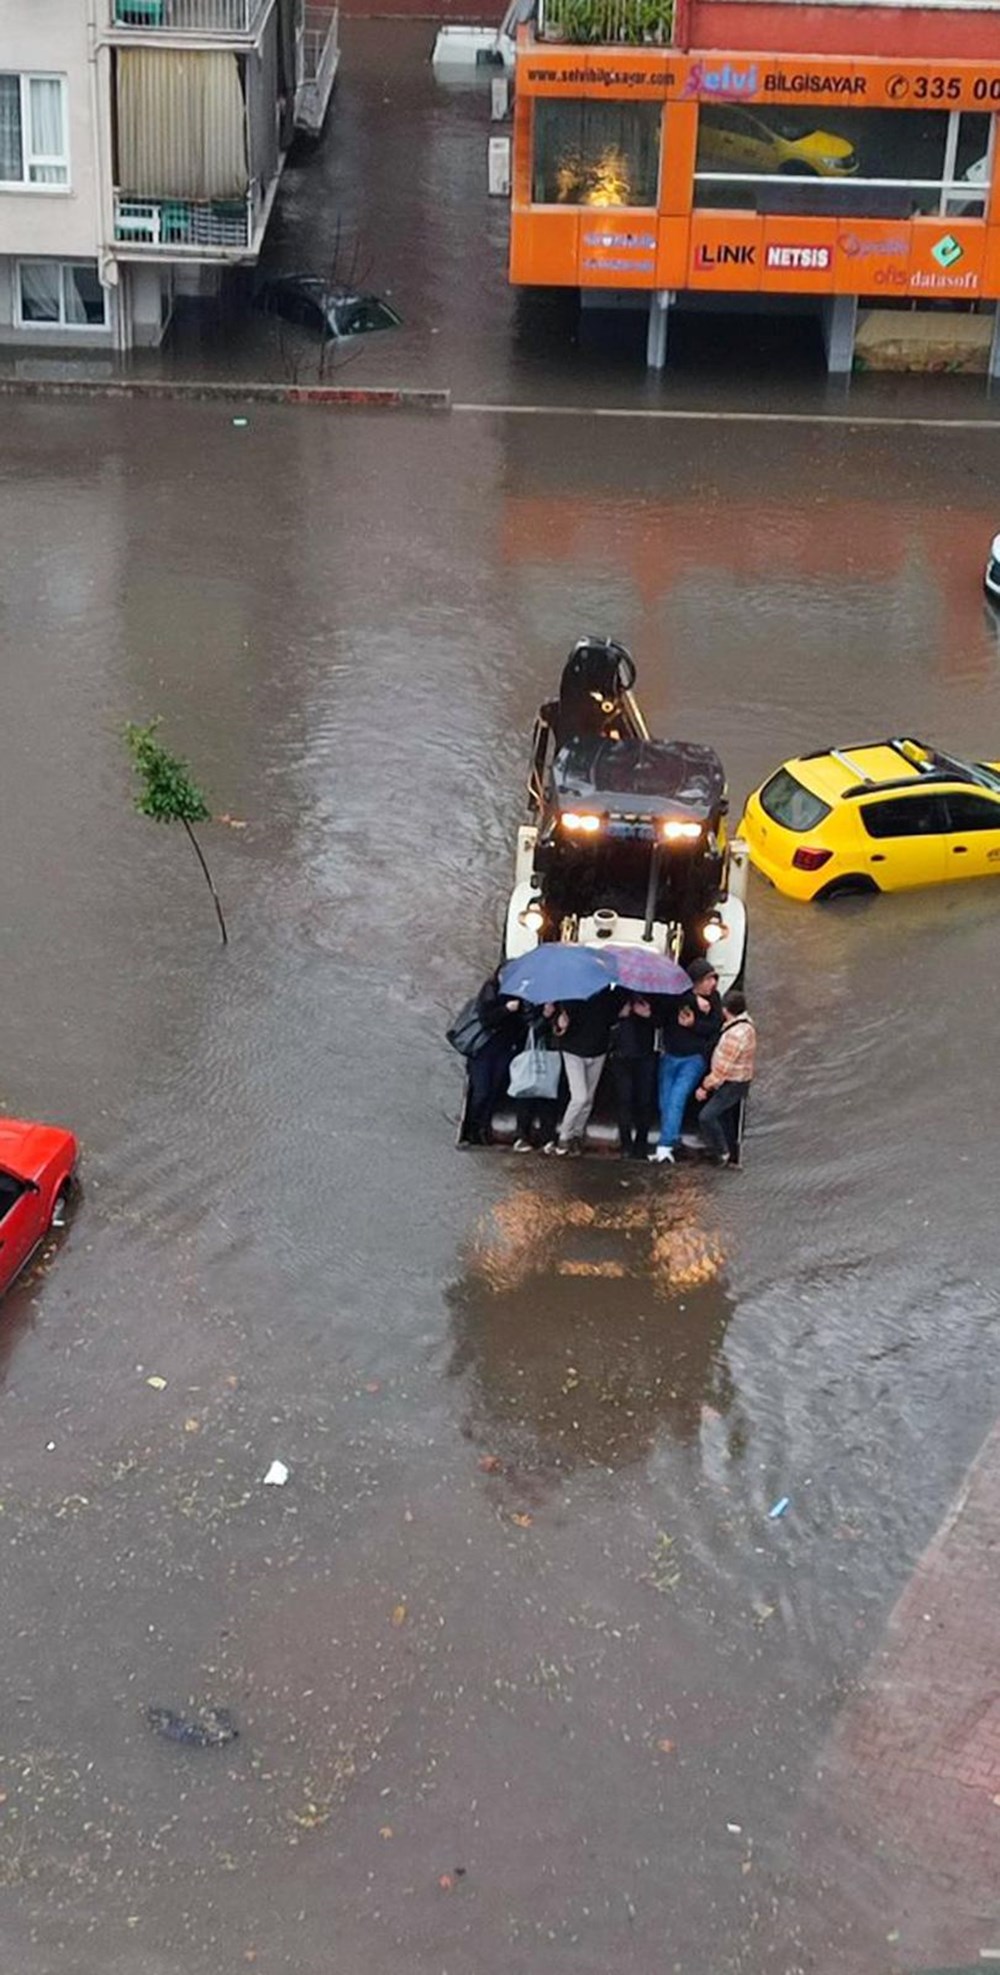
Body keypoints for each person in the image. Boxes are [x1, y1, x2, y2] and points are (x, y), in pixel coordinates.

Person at [695, 989, 757, 1166]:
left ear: (725, 1010)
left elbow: (722, 1070)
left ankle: (721, 1152)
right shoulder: (746, 1026)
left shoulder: (734, 1036)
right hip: (739, 1080)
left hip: (732, 1083)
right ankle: (732, 1153)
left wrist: (704, 1088)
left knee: (706, 1116)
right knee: (724, 1117)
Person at [465, 971, 525, 1146]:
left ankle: (483, 1128)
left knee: (494, 1090)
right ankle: (471, 1128)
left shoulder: (519, 993)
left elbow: (519, 1023)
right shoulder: (490, 991)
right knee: (481, 1091)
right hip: (483, 1050)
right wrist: (506, 1009)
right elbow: (486, 1019)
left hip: (504, 1048)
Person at [554, 987, 615, 1156]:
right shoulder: (570, 994)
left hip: (598, 1049)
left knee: (588, 1098)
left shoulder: (608, 995)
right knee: (579, 1097)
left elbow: (613, 1017)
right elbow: (558, 1021)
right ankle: (565, 1136)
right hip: (573, 1050)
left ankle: (577, 1135)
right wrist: (558, 1023)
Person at [610, 992, 658, 1160]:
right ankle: (626, 1145)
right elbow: (604, 1018)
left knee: (644, 1101)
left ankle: (641, 1143)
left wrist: (648, 1015)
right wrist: (620, 1015)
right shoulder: (616, 993)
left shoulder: (653, 993)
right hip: (621, 1055)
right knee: (624, 1100)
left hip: (645, 1055)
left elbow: (662, 1021)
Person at [511, 1003, 561, 1153]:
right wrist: (545, 1017)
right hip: (530, 1053)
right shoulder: (528, 1000)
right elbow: (528, 1030)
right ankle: (521, 1136)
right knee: (527, 1092)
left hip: (551, 1053)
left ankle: (548, 1138)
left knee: (549, 1094)